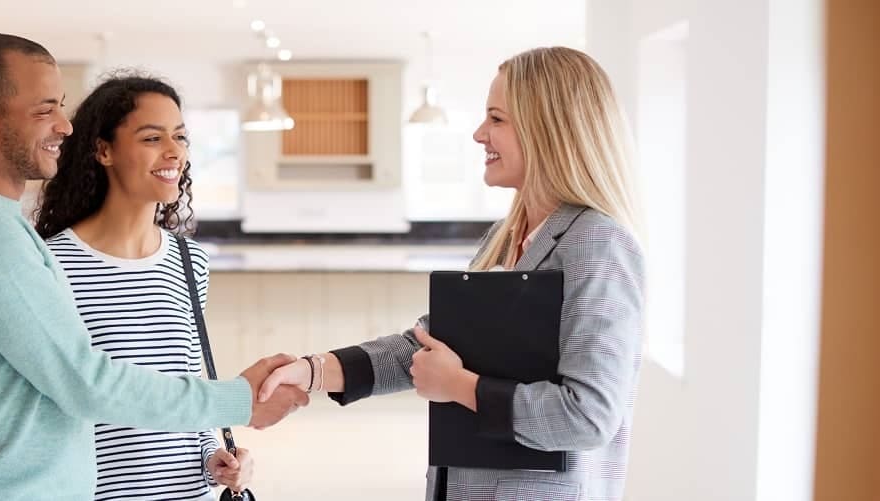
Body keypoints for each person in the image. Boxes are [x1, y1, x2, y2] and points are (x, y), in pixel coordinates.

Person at [0, 33, 306, 500]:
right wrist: (238, 401)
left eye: (180, 136)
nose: (64, 125)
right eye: (44, 110)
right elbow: (81, 381)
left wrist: (212, 447)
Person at [259, 46, 645, 501]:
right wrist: (313, 371)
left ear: (550, 128)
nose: (480, 134)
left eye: (497, 119)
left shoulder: (597, 243)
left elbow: (588, 417)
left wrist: (461, 386)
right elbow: (427, 347)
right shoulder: (506, 236)